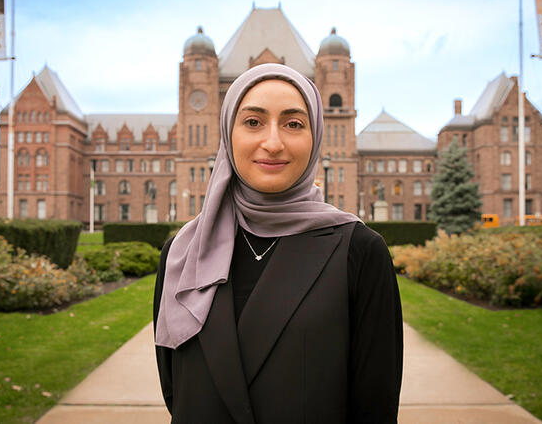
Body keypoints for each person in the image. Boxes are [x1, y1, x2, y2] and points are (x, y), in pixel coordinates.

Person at [154, 63, 403, 424]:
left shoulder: (360, 252)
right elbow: (175, 387)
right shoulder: (181, 252)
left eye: (293, 123)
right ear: (227, 133)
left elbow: (374, 408)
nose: (273, 143)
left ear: (316, 135)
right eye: (253, 122)